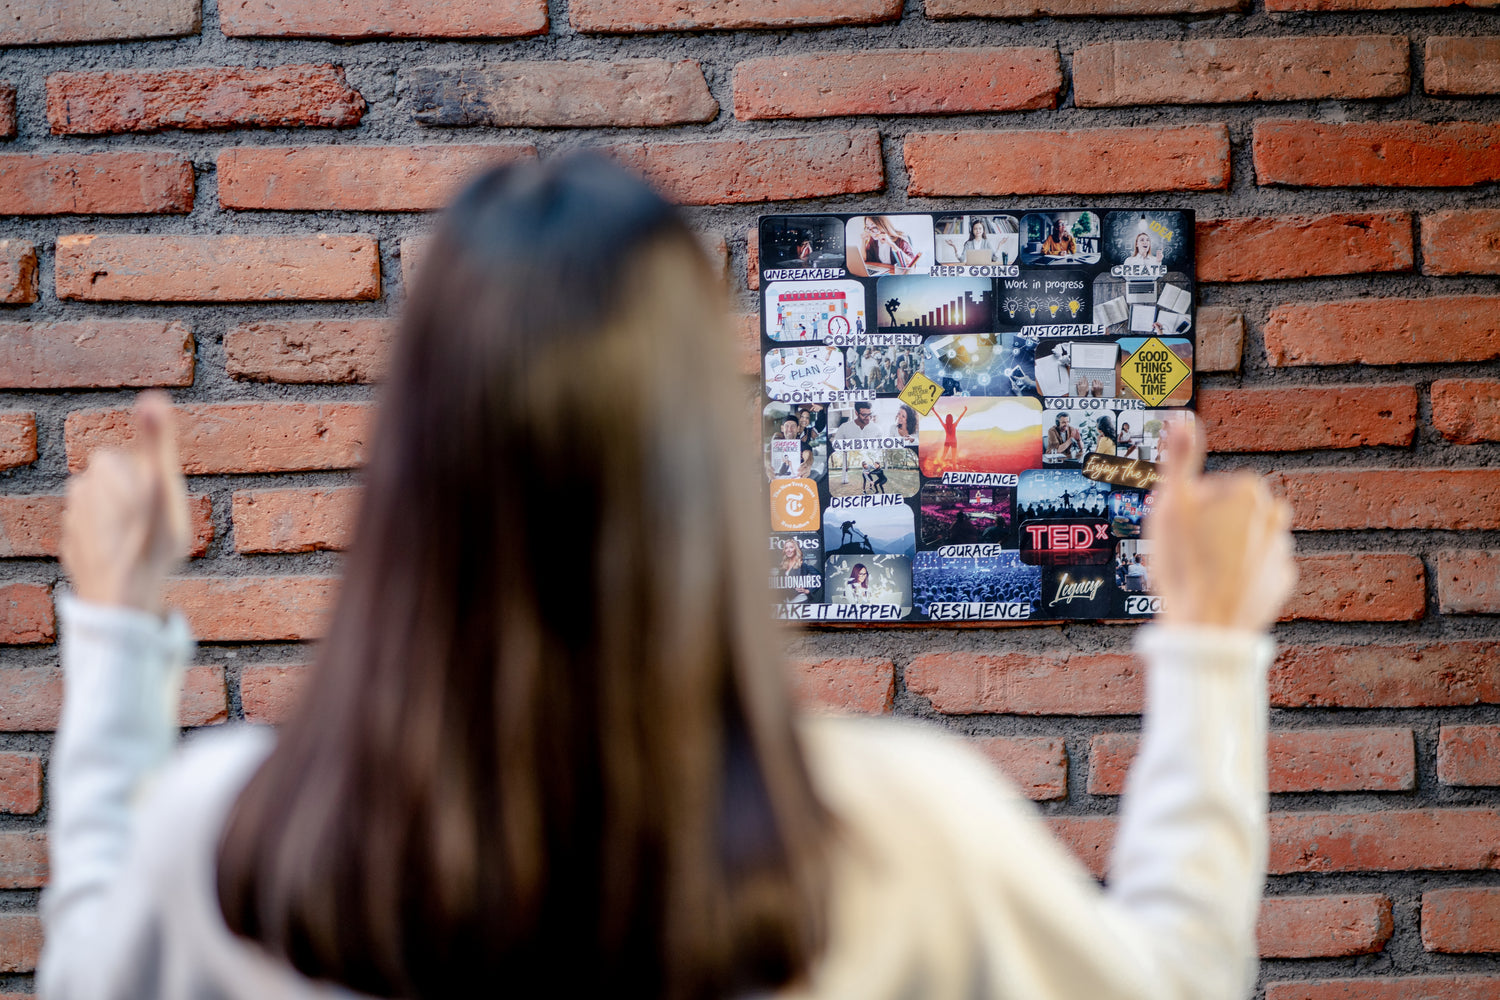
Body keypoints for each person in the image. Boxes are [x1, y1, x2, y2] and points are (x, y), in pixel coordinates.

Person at [44, 154, 1297, 1000]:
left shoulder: (227, 847)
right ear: (703, 468)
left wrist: (115, 627)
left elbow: (81, 969)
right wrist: (1209, 645)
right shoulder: (895, 838)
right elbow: (1178, 977)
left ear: (411, 468)